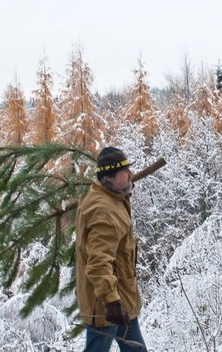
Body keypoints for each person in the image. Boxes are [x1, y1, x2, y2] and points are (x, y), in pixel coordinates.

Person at [75, 147, 147, 352]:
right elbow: (98, 263)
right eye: (125, 172)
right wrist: (111, 301)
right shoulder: (104, 211)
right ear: (110, 178)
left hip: (120, 295)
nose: (131, 175)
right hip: (108, 302)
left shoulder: (108, 196)